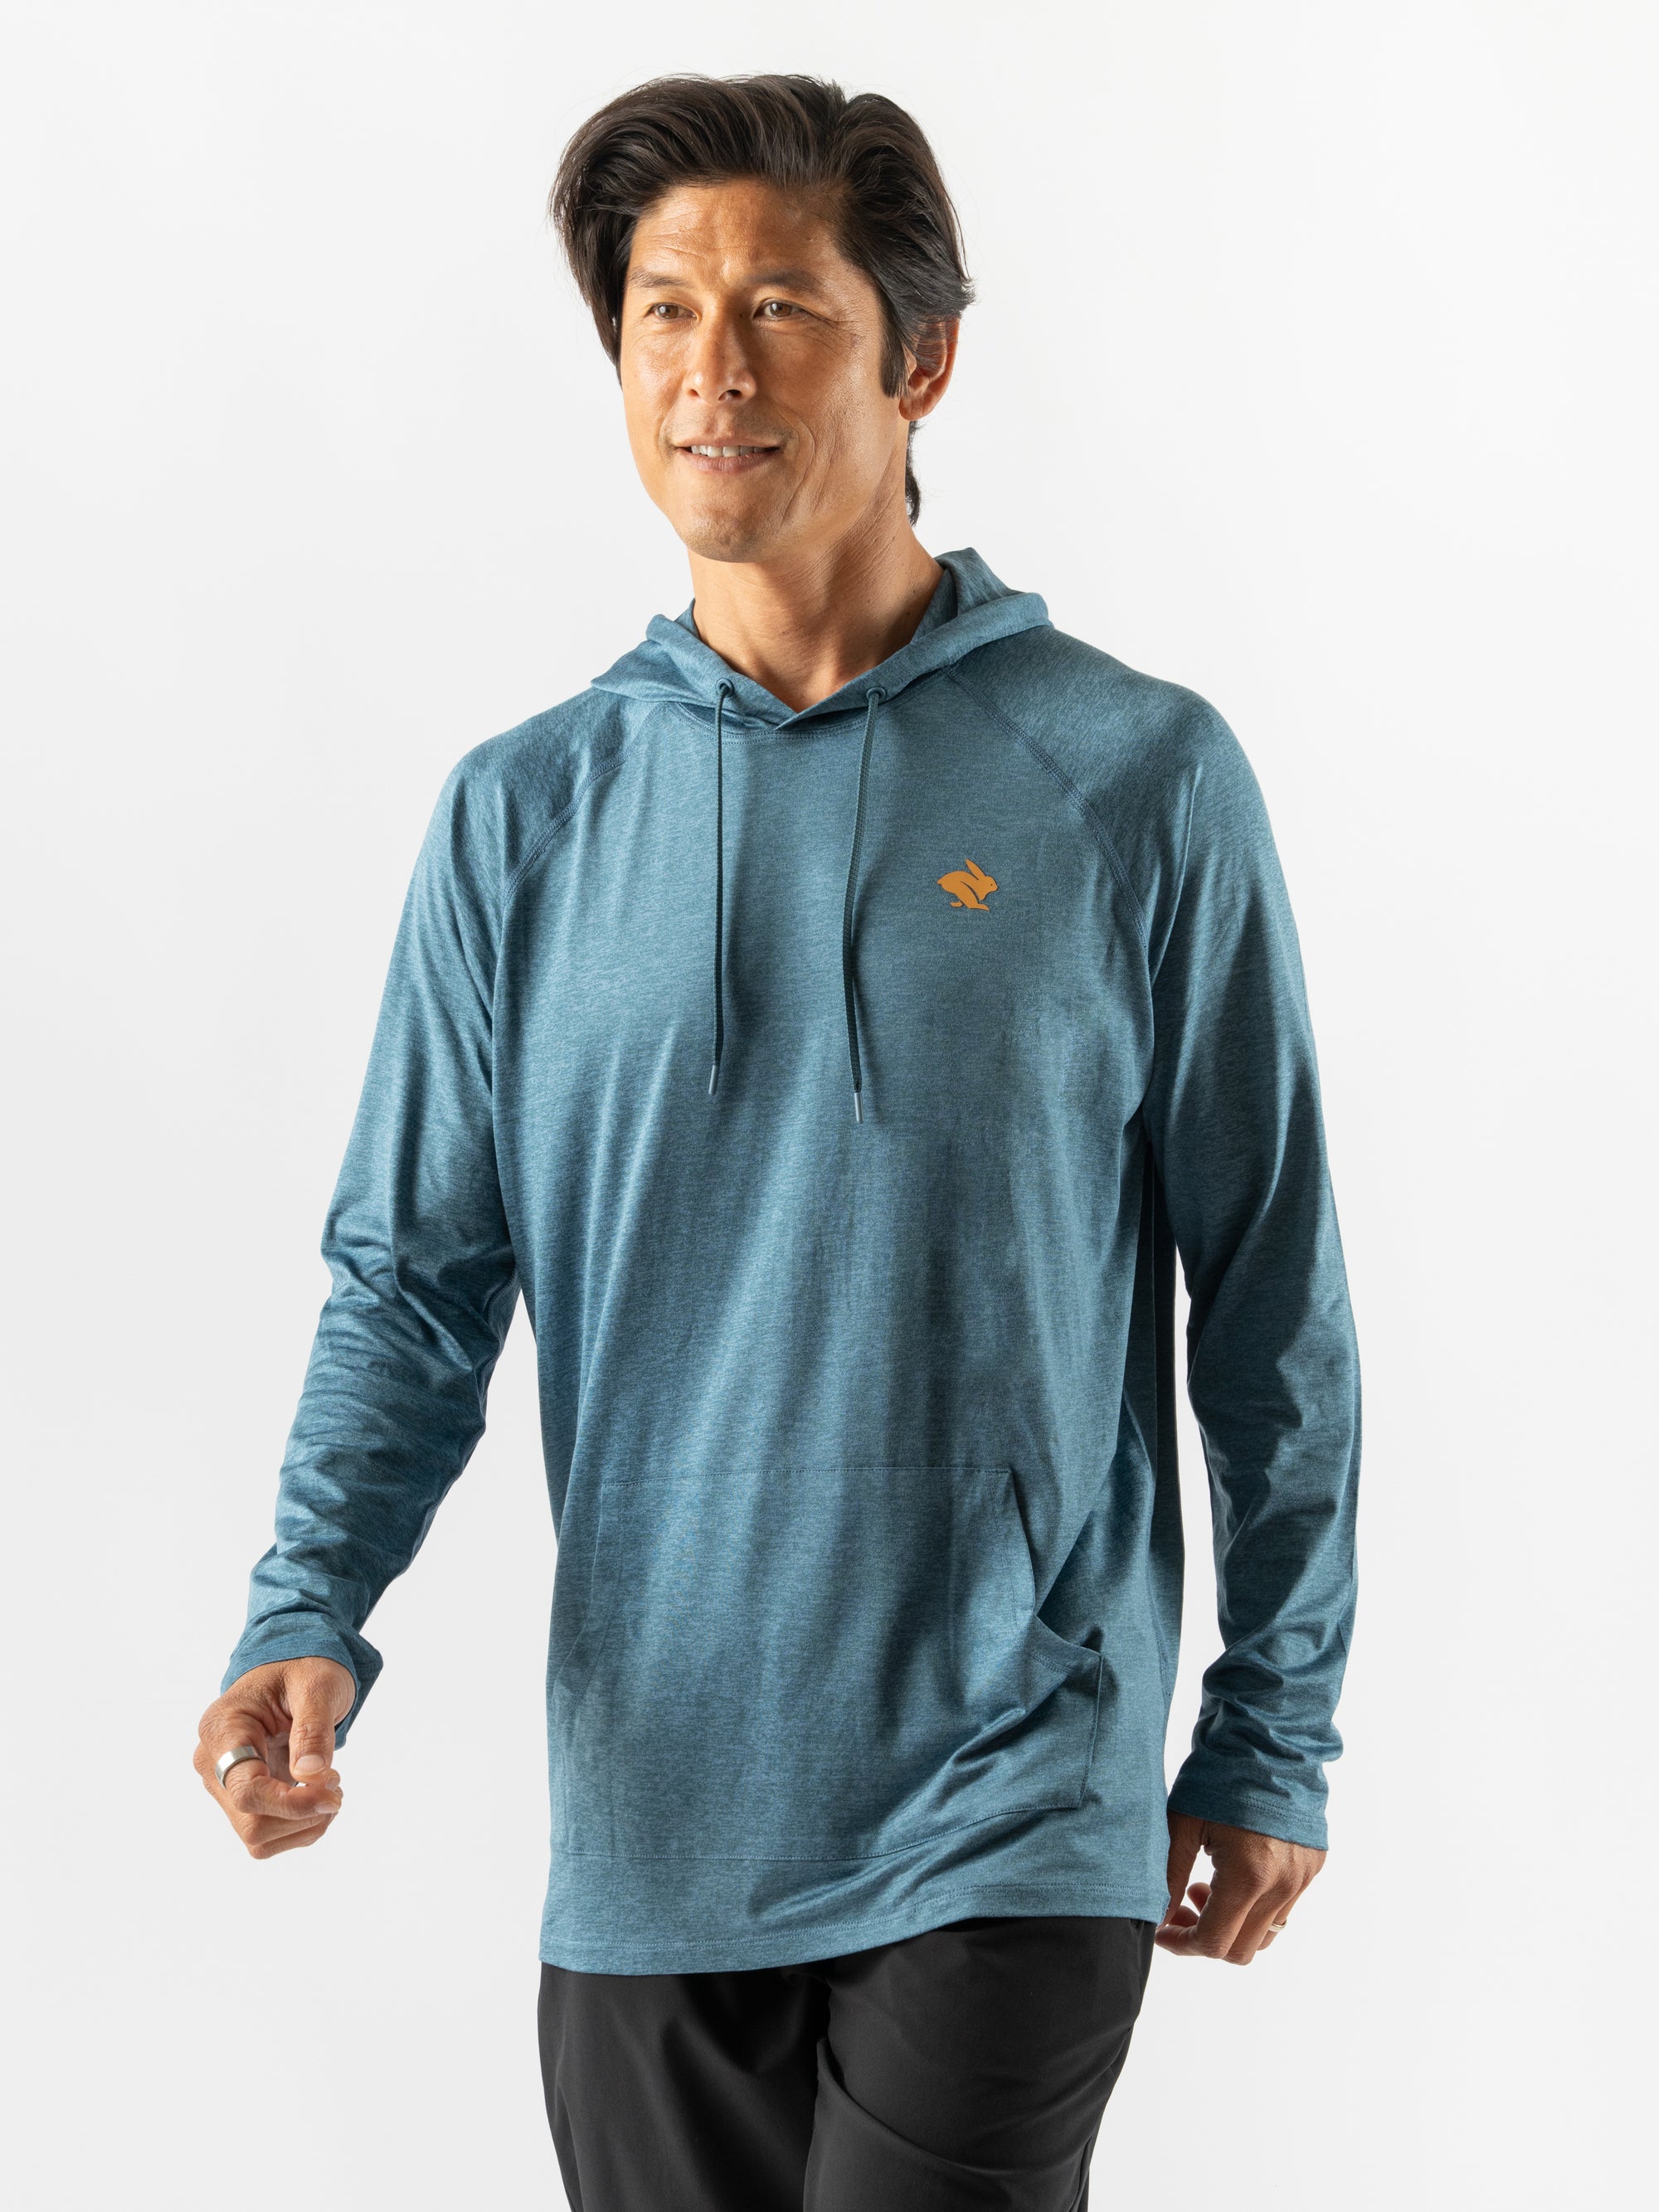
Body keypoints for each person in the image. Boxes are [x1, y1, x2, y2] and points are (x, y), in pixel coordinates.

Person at [194, 73, 1361, 2212]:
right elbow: (413, 1288)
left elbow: (1269, 1292)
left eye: (781, 311)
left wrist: (1271, 1723)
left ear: (921, 361)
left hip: (1017, 1785)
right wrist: (309, 1605)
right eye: (663, 312)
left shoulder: (1132, 778)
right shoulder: (524, 818)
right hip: (653, 1819)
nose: (709, 371)